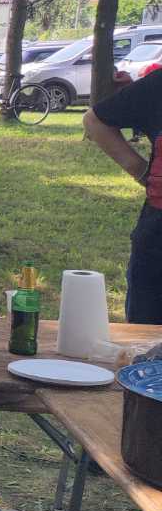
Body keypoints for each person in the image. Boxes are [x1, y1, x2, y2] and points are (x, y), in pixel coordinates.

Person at [85, 69, 162, 324]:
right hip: (156, 244)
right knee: (146, 346)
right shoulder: (157, 85)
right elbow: (95, 121)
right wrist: (142, 173)